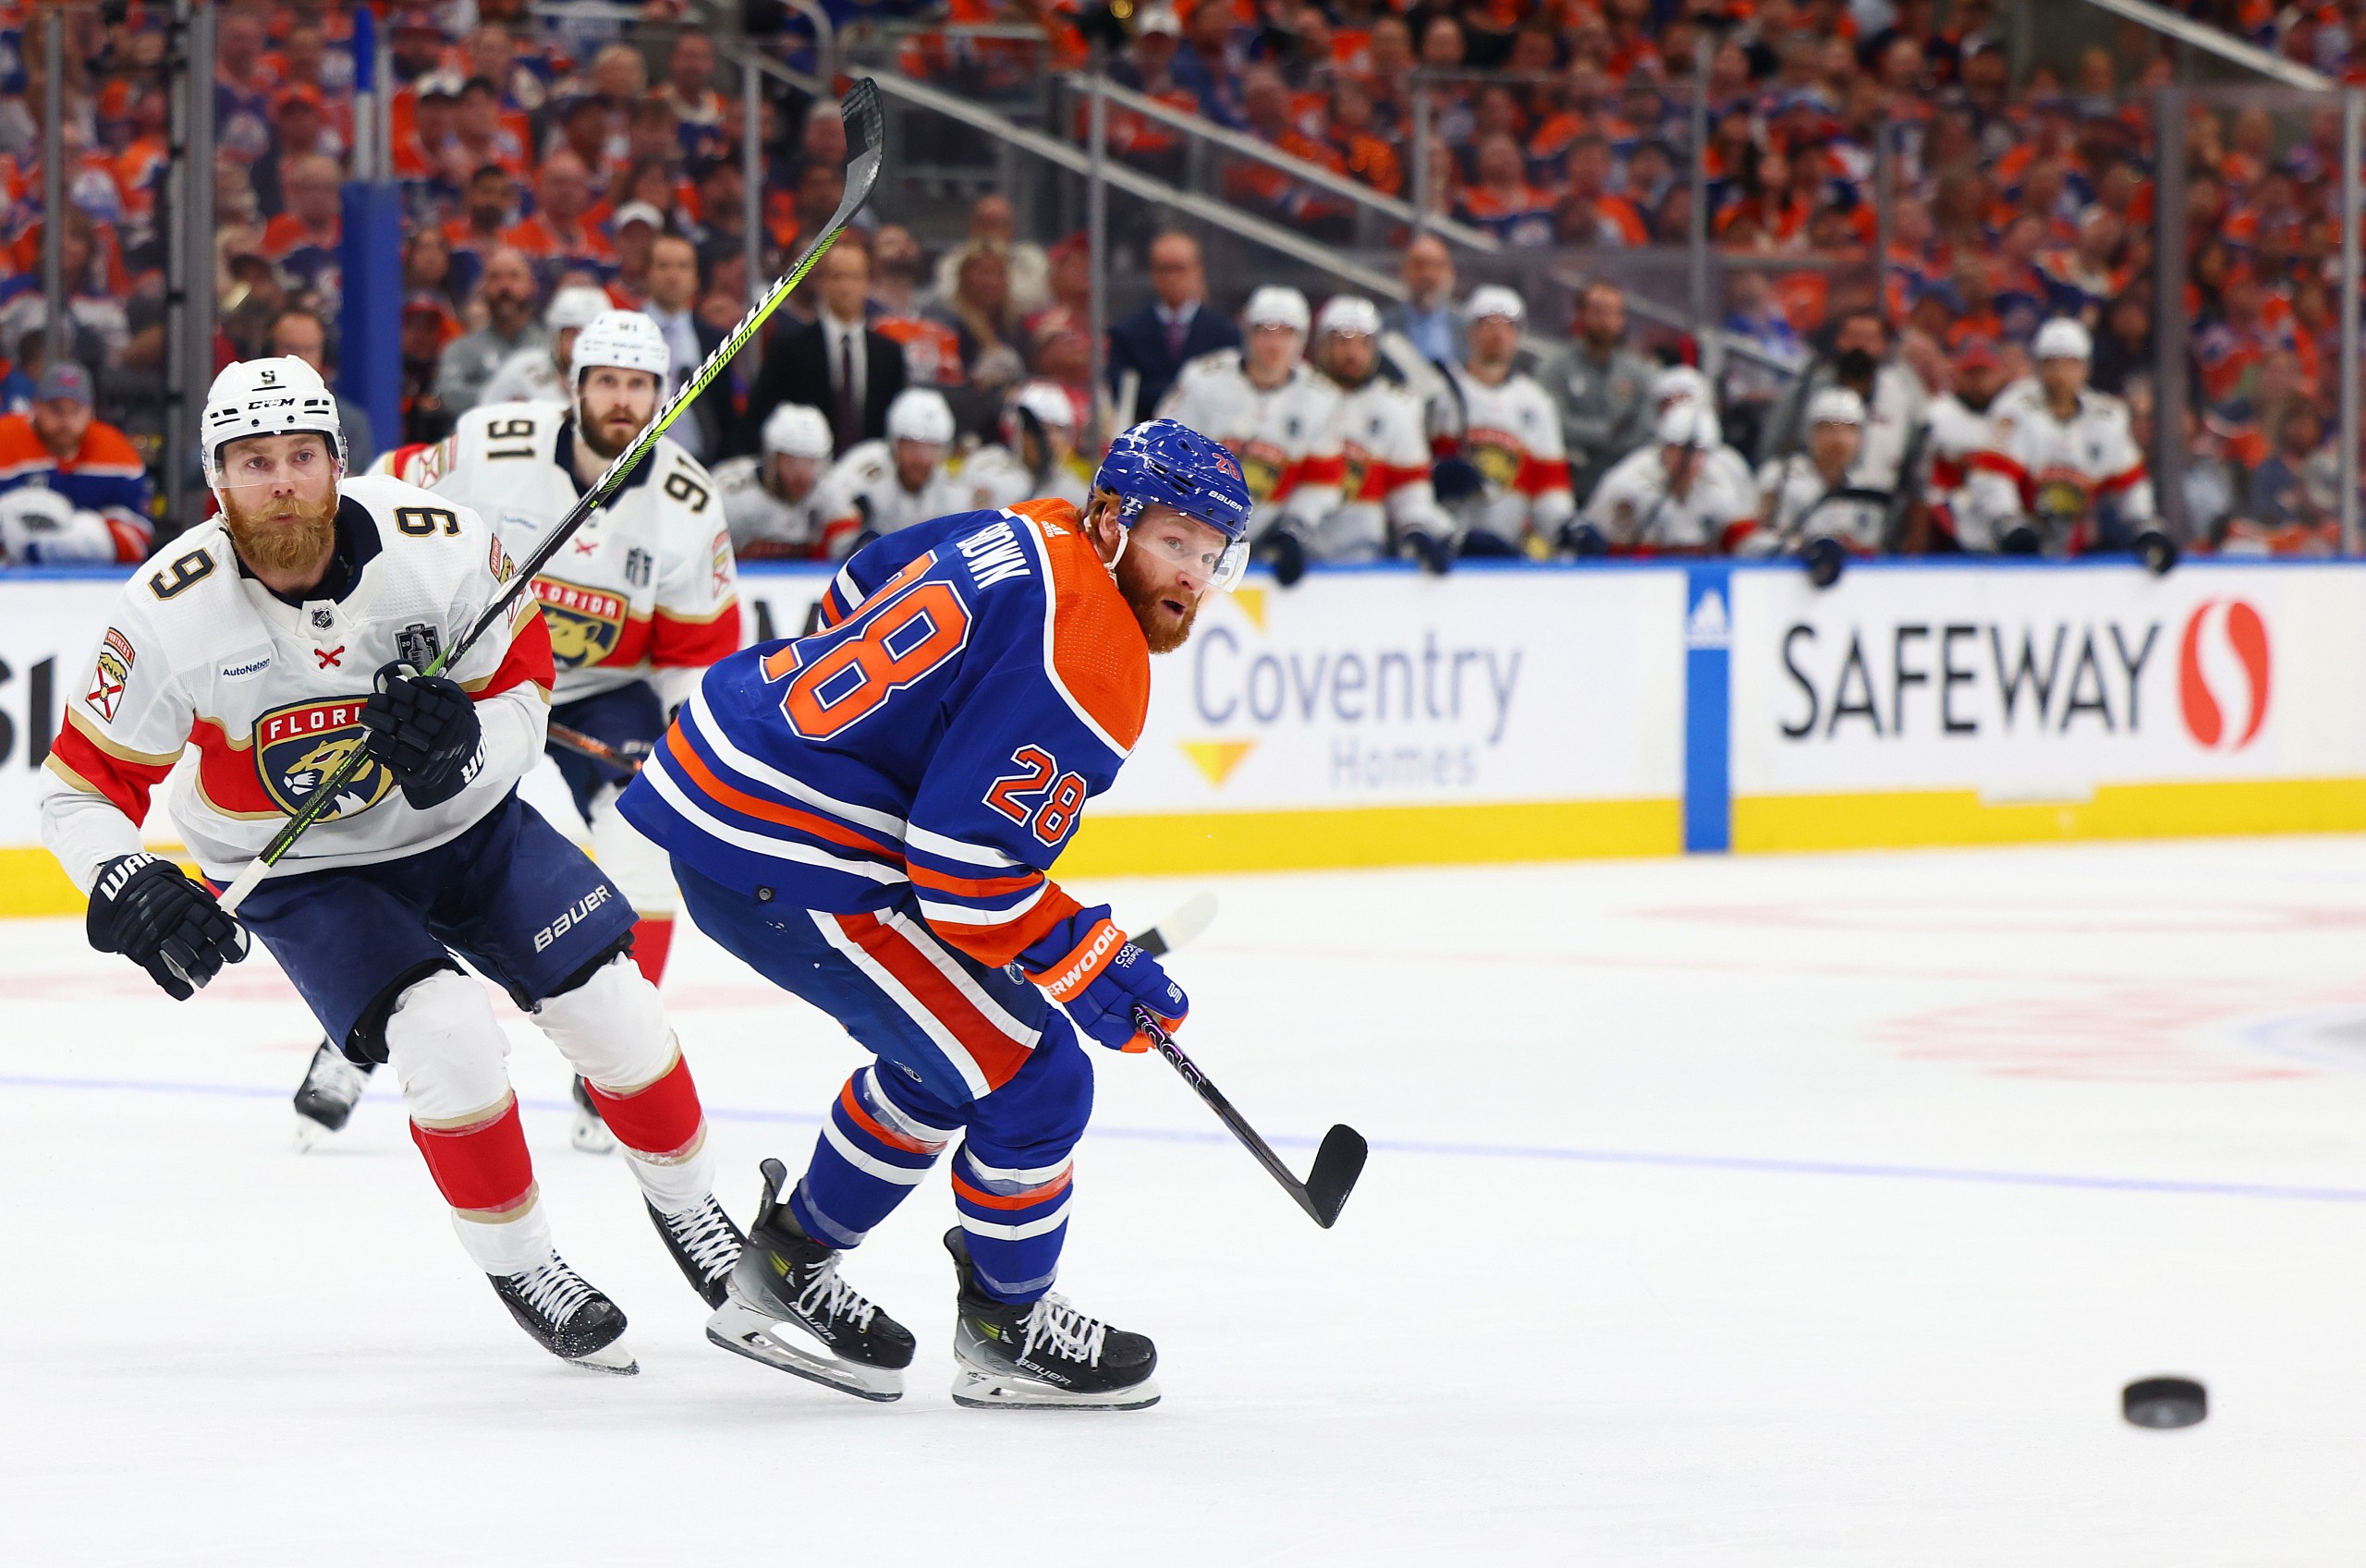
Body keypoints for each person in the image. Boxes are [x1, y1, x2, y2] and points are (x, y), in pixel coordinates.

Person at [38, 356, 742, 1371]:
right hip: (300, 869)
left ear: (338, 462)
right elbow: (77, 790)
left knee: (614, 1007)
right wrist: (125, 876)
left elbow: (525, 684)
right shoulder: (166, 611)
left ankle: (695, 1209)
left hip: (466, 826)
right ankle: (524, 1262)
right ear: (215, 479)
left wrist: (469, 748)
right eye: (253, 462)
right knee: (444, 1031)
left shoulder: (436, 546)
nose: (282, 482)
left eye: (301, 456)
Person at [612, 419, 1255, 1410]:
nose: (1192, 576)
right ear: (1112, 520)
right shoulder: (1093, 649)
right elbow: (965, 870)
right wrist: (1088, 958)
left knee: (951, 1056)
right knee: (1035, 1075)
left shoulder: (1029, 526)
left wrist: (876, 751)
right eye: (1175, 541)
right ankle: (1011, 1327)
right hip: (795, 859)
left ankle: (786, 1266)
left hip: (742, 790)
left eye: (1212, 555)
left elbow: (858, 584)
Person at [1154, 286, 1344, 585]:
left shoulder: (1321, 398)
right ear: (1247, 332)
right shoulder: (1203, 379)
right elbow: (1162, 454)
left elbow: (1322, 483)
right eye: (1264, 330)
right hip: (1190, 534)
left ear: (1303, 339)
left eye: (1286, 333)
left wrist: (1293, 528)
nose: (1274, 343)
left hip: (1266, 541)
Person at [1961, 317, 2153, 555]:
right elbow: (1992, 477)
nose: (2060, 374)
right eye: (2052, 364)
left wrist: (2145, 523)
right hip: (1999, 548)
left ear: (2085, 368)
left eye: (2070, 364)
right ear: (2038, 368)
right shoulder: (2013, 407)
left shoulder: (2107, 416)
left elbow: (2132, 484)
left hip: (2069, 547)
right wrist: (2008, 520)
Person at [1308, 294, 1450, 570]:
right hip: (1295, 555)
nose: (1353, 353)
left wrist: (1415, 529)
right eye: (1343, 342)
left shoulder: (1398, 405)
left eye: (1363, 343)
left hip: (1369, 561)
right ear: (1322, 345)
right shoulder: (1298, 398)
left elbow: (1410, 489)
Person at [1431, 287, 1573, 557]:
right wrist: (1437, 475)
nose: (1498, 334)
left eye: (1508, 326)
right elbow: (1413, 478)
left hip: (1510, 551)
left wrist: (1565, 527)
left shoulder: (1536, 403)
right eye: (1488, 324)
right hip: (1448, 547)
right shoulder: (1441, 393)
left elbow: (1549, 488)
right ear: (1470, 331)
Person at [737, 244, 907, 459]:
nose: (845, 287)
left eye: (854, 277)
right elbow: (760, 417)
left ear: (868, 283)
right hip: (803, 469)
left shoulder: (889, 354)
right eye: (837, 277)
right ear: (822, 282)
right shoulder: (790, 347)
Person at [0, 363, 154, 563]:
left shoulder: (116, 452)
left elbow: (140, 535)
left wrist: (86, 539)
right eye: (56, 409)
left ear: (91, 411)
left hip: (98, 577)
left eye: (76, 410)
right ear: (36, 406)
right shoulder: (5, 438)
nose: (66, 421)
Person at [1577, 401, 1754, 554]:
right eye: (1681, 451)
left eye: (1700, 454)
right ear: (1665, 448)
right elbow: (1618, 559)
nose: (1691, 463)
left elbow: (1742, 541)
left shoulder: (1718, 478)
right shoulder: (1630, 484)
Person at [810, 387, 970, 557]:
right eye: (912, 447)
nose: (922, 459)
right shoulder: (860, 474)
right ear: (894, 444)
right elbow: (834, 549)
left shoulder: (955, 491)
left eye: (932, 448)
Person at [1742, 387, 1886, 574]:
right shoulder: (1782, 476)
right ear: (1811, 432)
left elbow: (1875, 551)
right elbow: (1750, 541)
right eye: (1829, 429)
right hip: (1784, 574)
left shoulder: (1870, 487)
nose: (1839, 440)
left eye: (1849, 430)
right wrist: (1797, 547)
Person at [1538, 280, 1654, 502]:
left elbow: (1646, 431)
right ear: (1580, 315)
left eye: (1615, 313)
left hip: (1626, 485)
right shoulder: (1555, 368)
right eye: (1599, 312)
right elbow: (1553, 423)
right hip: (1571, 484)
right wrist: (1607, 432)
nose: (1607, 322)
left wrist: (1600, 440)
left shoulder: (1638, 373)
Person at [1105, 231, 1239, 421]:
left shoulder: (1225, 333)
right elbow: (1122, 391)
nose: (1171, 277)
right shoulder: (1127, 333)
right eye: (1163, 269)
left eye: (1179, 269)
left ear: (1197, 270)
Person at [640, 233, 726, 460]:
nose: (673, 276)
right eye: (663, 266)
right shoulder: (627, 333)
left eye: (683, 266)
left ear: (696, 278)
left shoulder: (714, 339)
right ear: (647, 274)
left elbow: (723, 411)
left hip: (698, 461)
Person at [717, 404, 836, 560]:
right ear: (772, 459)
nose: (802, 473)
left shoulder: (832, 493)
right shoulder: (729, 495)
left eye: (811, 462)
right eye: (792, 461)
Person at [434, 247, 545, 415]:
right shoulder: (460, 349)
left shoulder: (549, 347)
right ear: (483, 287)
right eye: (495, 277)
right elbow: (449, 396)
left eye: (514, 276)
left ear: (532, 286)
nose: (504, 286)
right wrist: (505, 397)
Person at [269, 307, 376, 473]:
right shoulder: (242, 413)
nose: (299, 359)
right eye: (290, 348)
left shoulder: (351, 422)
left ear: (323, 353)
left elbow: (358, 482)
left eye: (309, 349)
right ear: (270, 350)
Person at [958, 381, 1092, 513]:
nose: (1051, 440)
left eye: (1059, 430)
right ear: (1020, 431)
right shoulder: (984, 469)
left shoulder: (1074, 493)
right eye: (1043, 430)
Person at [482, 286, 610, 407]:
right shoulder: (521, 369)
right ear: (556, 337)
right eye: (573, 336)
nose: (583, 346)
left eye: (593, 338)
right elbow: (485, 409)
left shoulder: (615, 382)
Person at [1383, 233, 1465, 367]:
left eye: (1436, 266)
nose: (1427, 275)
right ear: (1404, 271)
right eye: (1419, 266)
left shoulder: (1466, 330)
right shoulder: (1385, 326)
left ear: (1450, 273)